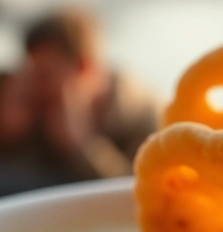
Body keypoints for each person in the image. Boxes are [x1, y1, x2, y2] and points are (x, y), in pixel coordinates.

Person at [22, 8, 161, 181]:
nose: (34, 88)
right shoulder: (44, 114)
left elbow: (139, 193)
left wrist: (83, 148)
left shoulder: (150, 120)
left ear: (83, 68)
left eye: (44, 76)